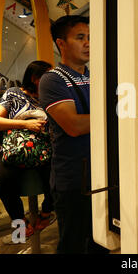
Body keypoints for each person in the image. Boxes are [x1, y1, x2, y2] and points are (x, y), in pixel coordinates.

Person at [38, 15, 108, 254]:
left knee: (102, 242)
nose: (88, 43)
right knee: (74, 245)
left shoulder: (98, 76)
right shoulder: (52, 80)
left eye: (90, 37)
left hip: (103, 176)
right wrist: (119, 117)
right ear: (61, 43)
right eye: (80, 38)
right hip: (73, 179)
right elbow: (74, 126)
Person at [0, 60, 55, 241]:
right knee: (5, 186)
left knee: (57, 181)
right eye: (47, 76)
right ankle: (19, 225)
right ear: (34, 78)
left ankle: (46, 213)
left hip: (44, 148)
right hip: (15, 148)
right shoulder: (14, 93)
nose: (52, 79)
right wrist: (26, 123)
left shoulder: (50, 96)